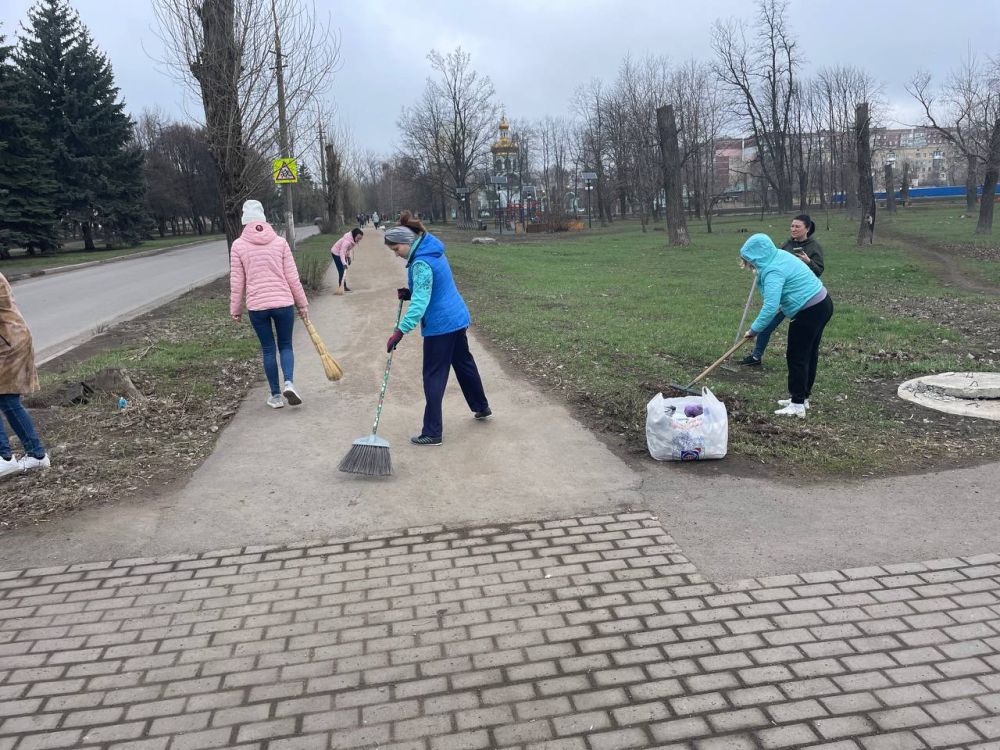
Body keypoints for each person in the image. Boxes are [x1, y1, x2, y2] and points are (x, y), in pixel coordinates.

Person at [384, 211, 492, 445]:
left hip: (441, 326)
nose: (397, 255)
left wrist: (399, 332)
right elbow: (432, 289)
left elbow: (422, 303)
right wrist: (410, 293)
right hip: (456, 318)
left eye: (396, 249)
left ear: (406, 242)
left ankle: (432, 432)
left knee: (433, 375)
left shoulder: (420, 262)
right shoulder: (431, 249)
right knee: (464, 363)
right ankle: (481, 407)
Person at [740, 233, 834, 418]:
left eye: (749, 260)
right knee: (809, 354)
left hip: (809, 310)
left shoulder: (773, 270)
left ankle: (797, 404)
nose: (748, 265)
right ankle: (802, 397)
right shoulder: (780, 255)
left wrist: (754, 330)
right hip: (822, 303)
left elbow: (770, 306)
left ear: (757, 256)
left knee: (796, 356)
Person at [230, 199, 309, 409]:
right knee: (285, 345)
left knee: (268, 349)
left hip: (257, 306)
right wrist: (302, 304)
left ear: (244, 221)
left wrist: (235, 309)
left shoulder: (238, 246)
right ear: (264, 219)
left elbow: (238, 282)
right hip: (283, 302)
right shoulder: (280, 242)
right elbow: (293, 277)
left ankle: (275, 396)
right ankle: (289, 382)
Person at [740, 213, 825, 367]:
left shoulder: (813, 247)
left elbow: (818, 270)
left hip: (803, 298)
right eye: (792, 226)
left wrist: (809, 261)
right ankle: (756, 356)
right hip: (784, 297)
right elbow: (770, 260)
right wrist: (760, 268)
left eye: (797, 226)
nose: (793, 229)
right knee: (766, 326)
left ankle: (801, 382)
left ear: (807, 228)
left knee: (800, 350)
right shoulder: (786, 246)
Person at [0, 272, 50, 479]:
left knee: (8, 399)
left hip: (8, 343)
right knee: (8, 400)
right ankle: (36, 455)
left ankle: (5, 458)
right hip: (10, 339)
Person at [331, 228, 363, 292]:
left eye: (360, 239)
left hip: (341, 253)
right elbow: (342, 253)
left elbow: (348, 249)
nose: (359, 240)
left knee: (343, 270)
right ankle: (342, 287)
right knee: (342, 271)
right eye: (358, 238)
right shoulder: (347, 242)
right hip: (336, 253)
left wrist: (348, 257)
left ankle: (343, 286)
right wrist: (344, 263)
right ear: (354, 235)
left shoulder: (352, 240)